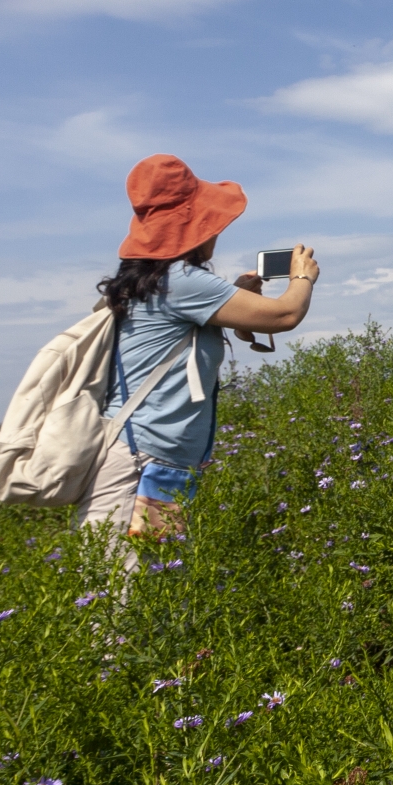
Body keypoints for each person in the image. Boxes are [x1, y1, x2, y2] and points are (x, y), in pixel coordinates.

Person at [79, 154, 319, 539]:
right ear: (192, 227)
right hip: (139, 465)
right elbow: (284, 315)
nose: (216, 232)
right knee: (129, 591)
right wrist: (302, 276)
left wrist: (239, 296)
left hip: (151, 460)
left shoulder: (155, 281)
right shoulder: (182, 281)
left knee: (159, 587)